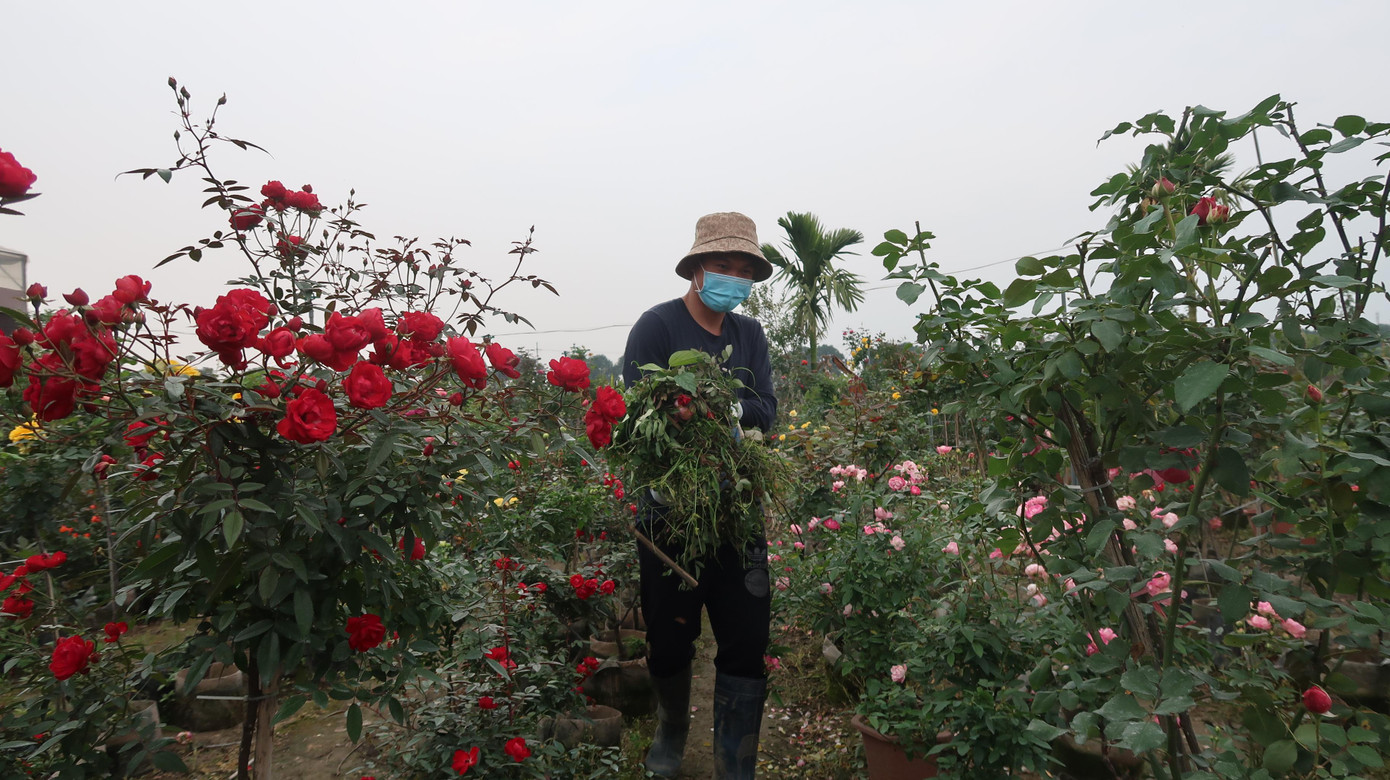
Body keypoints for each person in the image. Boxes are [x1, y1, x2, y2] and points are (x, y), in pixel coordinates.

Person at [621, 212, 778, 779]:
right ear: (697, 269)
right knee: (669, 637)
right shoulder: (657, 327)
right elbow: (640, 407)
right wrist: (679, 411)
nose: (733, 278)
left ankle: (735, 764)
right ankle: (670, 730)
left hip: (736, 509)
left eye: (744, 270)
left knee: (745, 638)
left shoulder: (749, 335)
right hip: (670, 512)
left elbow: (767, 410)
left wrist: (725, 410)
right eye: (722, 266)